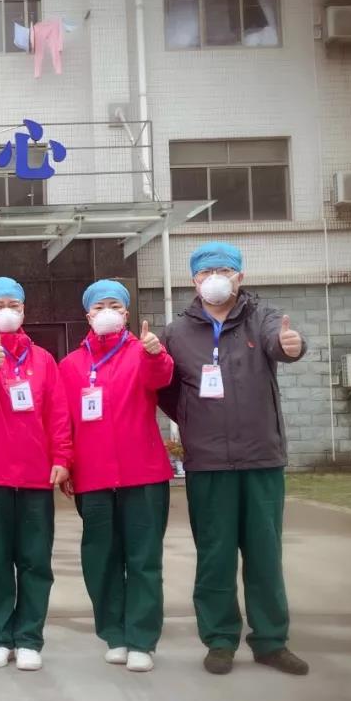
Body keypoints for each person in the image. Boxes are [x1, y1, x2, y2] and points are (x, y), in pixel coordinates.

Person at [160, 242, 309, 676]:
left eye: (225, 270)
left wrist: (292, 344)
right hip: (208, 463)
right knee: (215, 556)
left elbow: (282, 343)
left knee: (265, 555)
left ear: (240, 277)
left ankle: (271, 641)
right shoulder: (177, 332)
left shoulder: (262, 317)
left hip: (261, 458)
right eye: (206, 272)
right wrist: (193, 420)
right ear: (194, 280)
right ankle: (220, 639)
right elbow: (166, 390)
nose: (216, 279)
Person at [58, 279, 174, 673]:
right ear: (87, 314)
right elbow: (63, 421)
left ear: (126, 313)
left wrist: (157, 355)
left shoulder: (144, 352)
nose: (106, 312)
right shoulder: (70, 366)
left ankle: (142, 639)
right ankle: (115, 634)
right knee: (101, 559)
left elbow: (161, 378)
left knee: (143, 558)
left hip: (143, 474)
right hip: (92, 477)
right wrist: (66, 462)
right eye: (99, 306)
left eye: (115, 306)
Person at [0, 277, 72, 672]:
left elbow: (58, 413)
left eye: (14, 305)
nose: (7, 311)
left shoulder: (43, 360)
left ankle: (29, 638)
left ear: (24, 311)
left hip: (35, 476)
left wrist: (63, 457)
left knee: (35, 560)